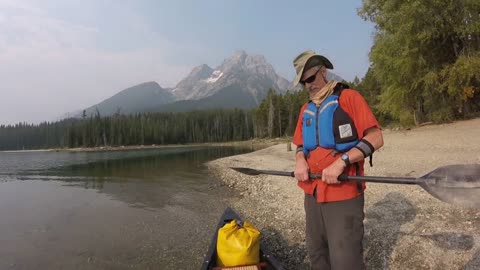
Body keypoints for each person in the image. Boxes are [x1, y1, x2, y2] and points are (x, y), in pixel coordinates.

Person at [292, 50, 384, 270]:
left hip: (343, 193)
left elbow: (376, 137)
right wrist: (299, 161)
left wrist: (342, 160)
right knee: (317, 255)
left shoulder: (349, 98)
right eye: (303, 82)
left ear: (323, 71)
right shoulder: (306, 109)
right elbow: (300, 145)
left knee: (345, 261)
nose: (308, 85)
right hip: (312, 193)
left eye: (311, 78)